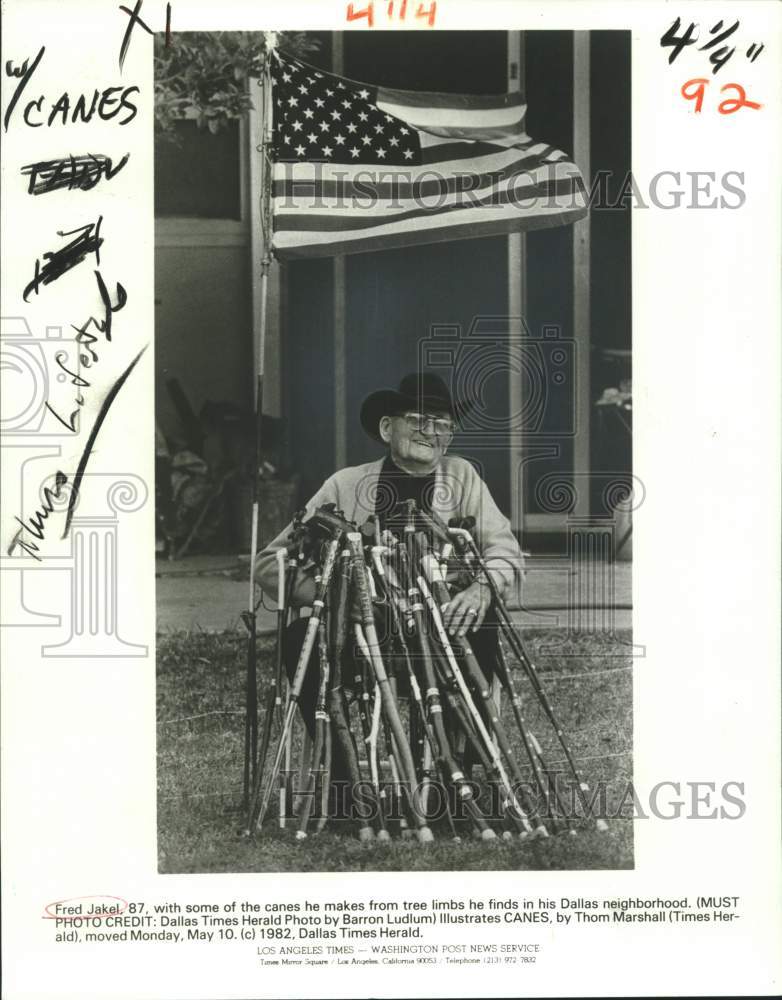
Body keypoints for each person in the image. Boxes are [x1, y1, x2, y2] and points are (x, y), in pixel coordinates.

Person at [255, 372, 524, 819]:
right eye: (417, 419)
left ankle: (463, 781)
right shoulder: (344, 485)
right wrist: (336, 593)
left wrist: (481, 588)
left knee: (480, 627)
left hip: (440, 625)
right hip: (363, 628)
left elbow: (504, 550)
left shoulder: (462, 477)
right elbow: (270, 563)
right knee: (301, 638)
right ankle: (345, 788)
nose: (430, 431)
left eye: (441, 423)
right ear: (387, 429)